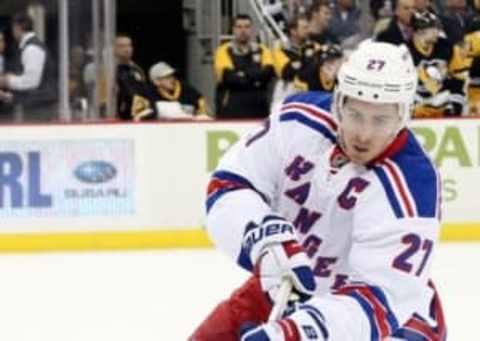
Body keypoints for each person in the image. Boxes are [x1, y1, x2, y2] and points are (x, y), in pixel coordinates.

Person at [190, 40, 446, 340]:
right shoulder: (298, 120)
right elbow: (229, 184)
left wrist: (297, 333)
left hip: (388, 321)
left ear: (403, 116)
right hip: (290, 285)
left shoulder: (414, 183)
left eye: (381, 120)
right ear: (340, 102)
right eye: (355, 115)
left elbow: (379, 299)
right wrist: (261, 237)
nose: (363, 134)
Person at [214, 14, 275, 119]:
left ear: (252, 29)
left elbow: (268, 74)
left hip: (259, 109)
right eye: (239, 27)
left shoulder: (263, 50)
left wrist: (242, 73)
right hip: (231, 110)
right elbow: (229, 78)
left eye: (247, 27)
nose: (243, 30)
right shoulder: (223, 51)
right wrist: (256, 78)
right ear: (233, 29)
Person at [0, 13, 57, 122]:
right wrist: (8, 96)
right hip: (36, 107)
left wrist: (7, 80)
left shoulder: (32, 48)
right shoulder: (28, 47)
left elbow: (31, 82)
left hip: (39, 110)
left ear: (17, 27)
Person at [141, 61, 210, 120]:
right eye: (167, 77)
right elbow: (141, 116)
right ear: (156, 82)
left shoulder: (187, 90)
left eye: (172, 76)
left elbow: (203, 110)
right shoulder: (149, 94)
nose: (172, 80)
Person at [114, 33, 150, 121]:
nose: (127, 49)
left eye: (129, 45)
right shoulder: (108, 70)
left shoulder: (137, 69)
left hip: (138, 116)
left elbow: (145, 93)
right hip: (116, 118)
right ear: (113, 49)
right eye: (122, 46)